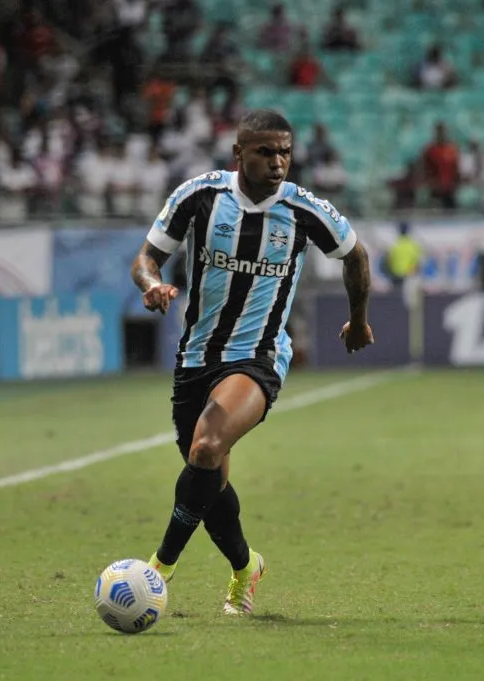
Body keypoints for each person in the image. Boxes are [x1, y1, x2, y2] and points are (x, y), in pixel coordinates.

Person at [129, 109, 374, 616]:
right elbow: (146, 258)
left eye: (285, 151)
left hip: (258, 356)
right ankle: (246, 568)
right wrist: (153, 286)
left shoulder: (305, 209)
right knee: (209, 479)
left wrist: (358, 319)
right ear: (238, 154)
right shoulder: (199, 196)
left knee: (206, 446)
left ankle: (157, 569)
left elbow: (355, 255)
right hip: (195, 358)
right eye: (266, 151)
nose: (278, 161)